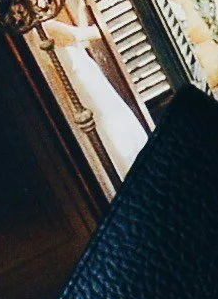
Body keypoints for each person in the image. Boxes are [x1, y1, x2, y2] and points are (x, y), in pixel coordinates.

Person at [44, 15, 149, 179]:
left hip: (90, 84)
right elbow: (93, 33)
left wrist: (80, 11)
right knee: (113, 127)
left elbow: (80, 41)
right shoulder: (48, 27)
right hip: (89, 89)